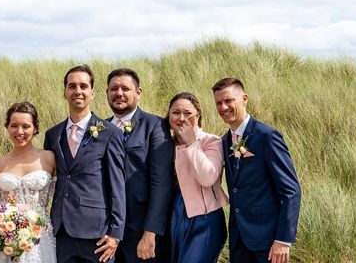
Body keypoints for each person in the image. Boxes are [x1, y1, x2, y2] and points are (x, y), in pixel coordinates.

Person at [212, 78, 301, 263]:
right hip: (239, 240)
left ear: (244, 99)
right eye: (219, 103)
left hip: (269, 240)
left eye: (229, 100)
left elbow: (291, 191)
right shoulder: (225, 141)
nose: (223, 107)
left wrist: (283, 240)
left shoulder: (267, 137)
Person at [44, 64, 126, 263]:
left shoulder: (110, 133)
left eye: (83, 86)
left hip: (97, 235)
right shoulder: (52, 135)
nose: (77, 91)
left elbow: (117, 186)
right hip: (61, 231)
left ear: (92, 93)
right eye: (72, 86)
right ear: (64, 92)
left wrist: (115, 233)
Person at [105, 68, 173, 262]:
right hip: (105, 233)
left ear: (138, 92)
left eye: (125, 88)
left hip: (140, 230)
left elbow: (161, 183)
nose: (119, 93)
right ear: (107, 93)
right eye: (113, 89)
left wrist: (150, 232)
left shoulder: (156, 125)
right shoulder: (99, 127)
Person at [0, 102, 57, 263]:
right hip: (7, 235)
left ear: (35, 128)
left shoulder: (48, 158)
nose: (19, 131)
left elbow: (61, 196)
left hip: (40, 233)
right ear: (7, 127)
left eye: (25, 126)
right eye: (14, 126)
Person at [167, 92, 227, 263]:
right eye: (176, 112)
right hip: (172, 216)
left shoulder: (211, 141)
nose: (181, 118)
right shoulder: (164, 144)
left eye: (188, 113)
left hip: (204, 219)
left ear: (198, 116)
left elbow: (208, 178)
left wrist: (192, 144)